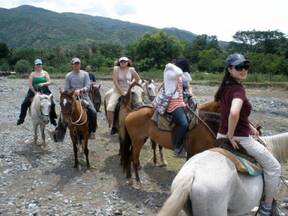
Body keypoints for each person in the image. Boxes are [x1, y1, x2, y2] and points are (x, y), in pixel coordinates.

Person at [214, 53, 281, 216]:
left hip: (220, 136)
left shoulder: (225, 87)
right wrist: (231, 135)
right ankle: (266, 208)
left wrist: (250, 126)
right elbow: (234, 113)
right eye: (239, 67)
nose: (243, 70)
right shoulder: (238, 89)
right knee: (274, 167)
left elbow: (237, 114)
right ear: (229, 69)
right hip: (240, 139)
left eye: (245, 66)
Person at [17, 58, 57, 126]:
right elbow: (30, 85)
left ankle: (52, 119)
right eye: (37, 64)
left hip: (45, 90)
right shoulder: (32, 74)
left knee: (52, 103)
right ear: (35, 66)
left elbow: (50, 81)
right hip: (33, 90)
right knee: (24, 103)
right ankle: (21, 119)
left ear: (41, 65)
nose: (38, 66)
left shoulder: (45, 73)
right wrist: (35, 93)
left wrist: (43, 84)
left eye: (39, 64)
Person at [64, 57, 97, 139]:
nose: (77, 65)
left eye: (78, 63)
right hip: (72, 98)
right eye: (75, 64)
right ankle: (60, 130)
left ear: (80, 64)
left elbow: (88, 86)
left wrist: (81, 90)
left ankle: (92, 131)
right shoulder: (68, 75)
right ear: (72, 65)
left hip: (84, 96)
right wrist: (73, 92)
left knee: (93, 112)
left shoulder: (85, 74)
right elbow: (66, 88)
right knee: (64, 112)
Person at [107, 56, 140, 134]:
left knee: (139, 104)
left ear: (127, 62)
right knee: (110, 107)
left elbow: (138, 79)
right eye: (121, 61)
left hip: (129, 90)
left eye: (125, 61)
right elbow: (115, 81)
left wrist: (132, 83)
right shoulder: (116, 69)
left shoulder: (131, 69)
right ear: (119, 62)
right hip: (118, 90)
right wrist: (122, 92)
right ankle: (113, 126)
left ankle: (138, 123)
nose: (123, 63)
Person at [164, 58, 190, 157]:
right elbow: (179, 72)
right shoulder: (169, 72)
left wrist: (184, 103)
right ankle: (177, 147)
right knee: (184, 124)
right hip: (172, 103)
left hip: (180, 102)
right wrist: (171, 65)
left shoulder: (178, 75)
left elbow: (188, 78)